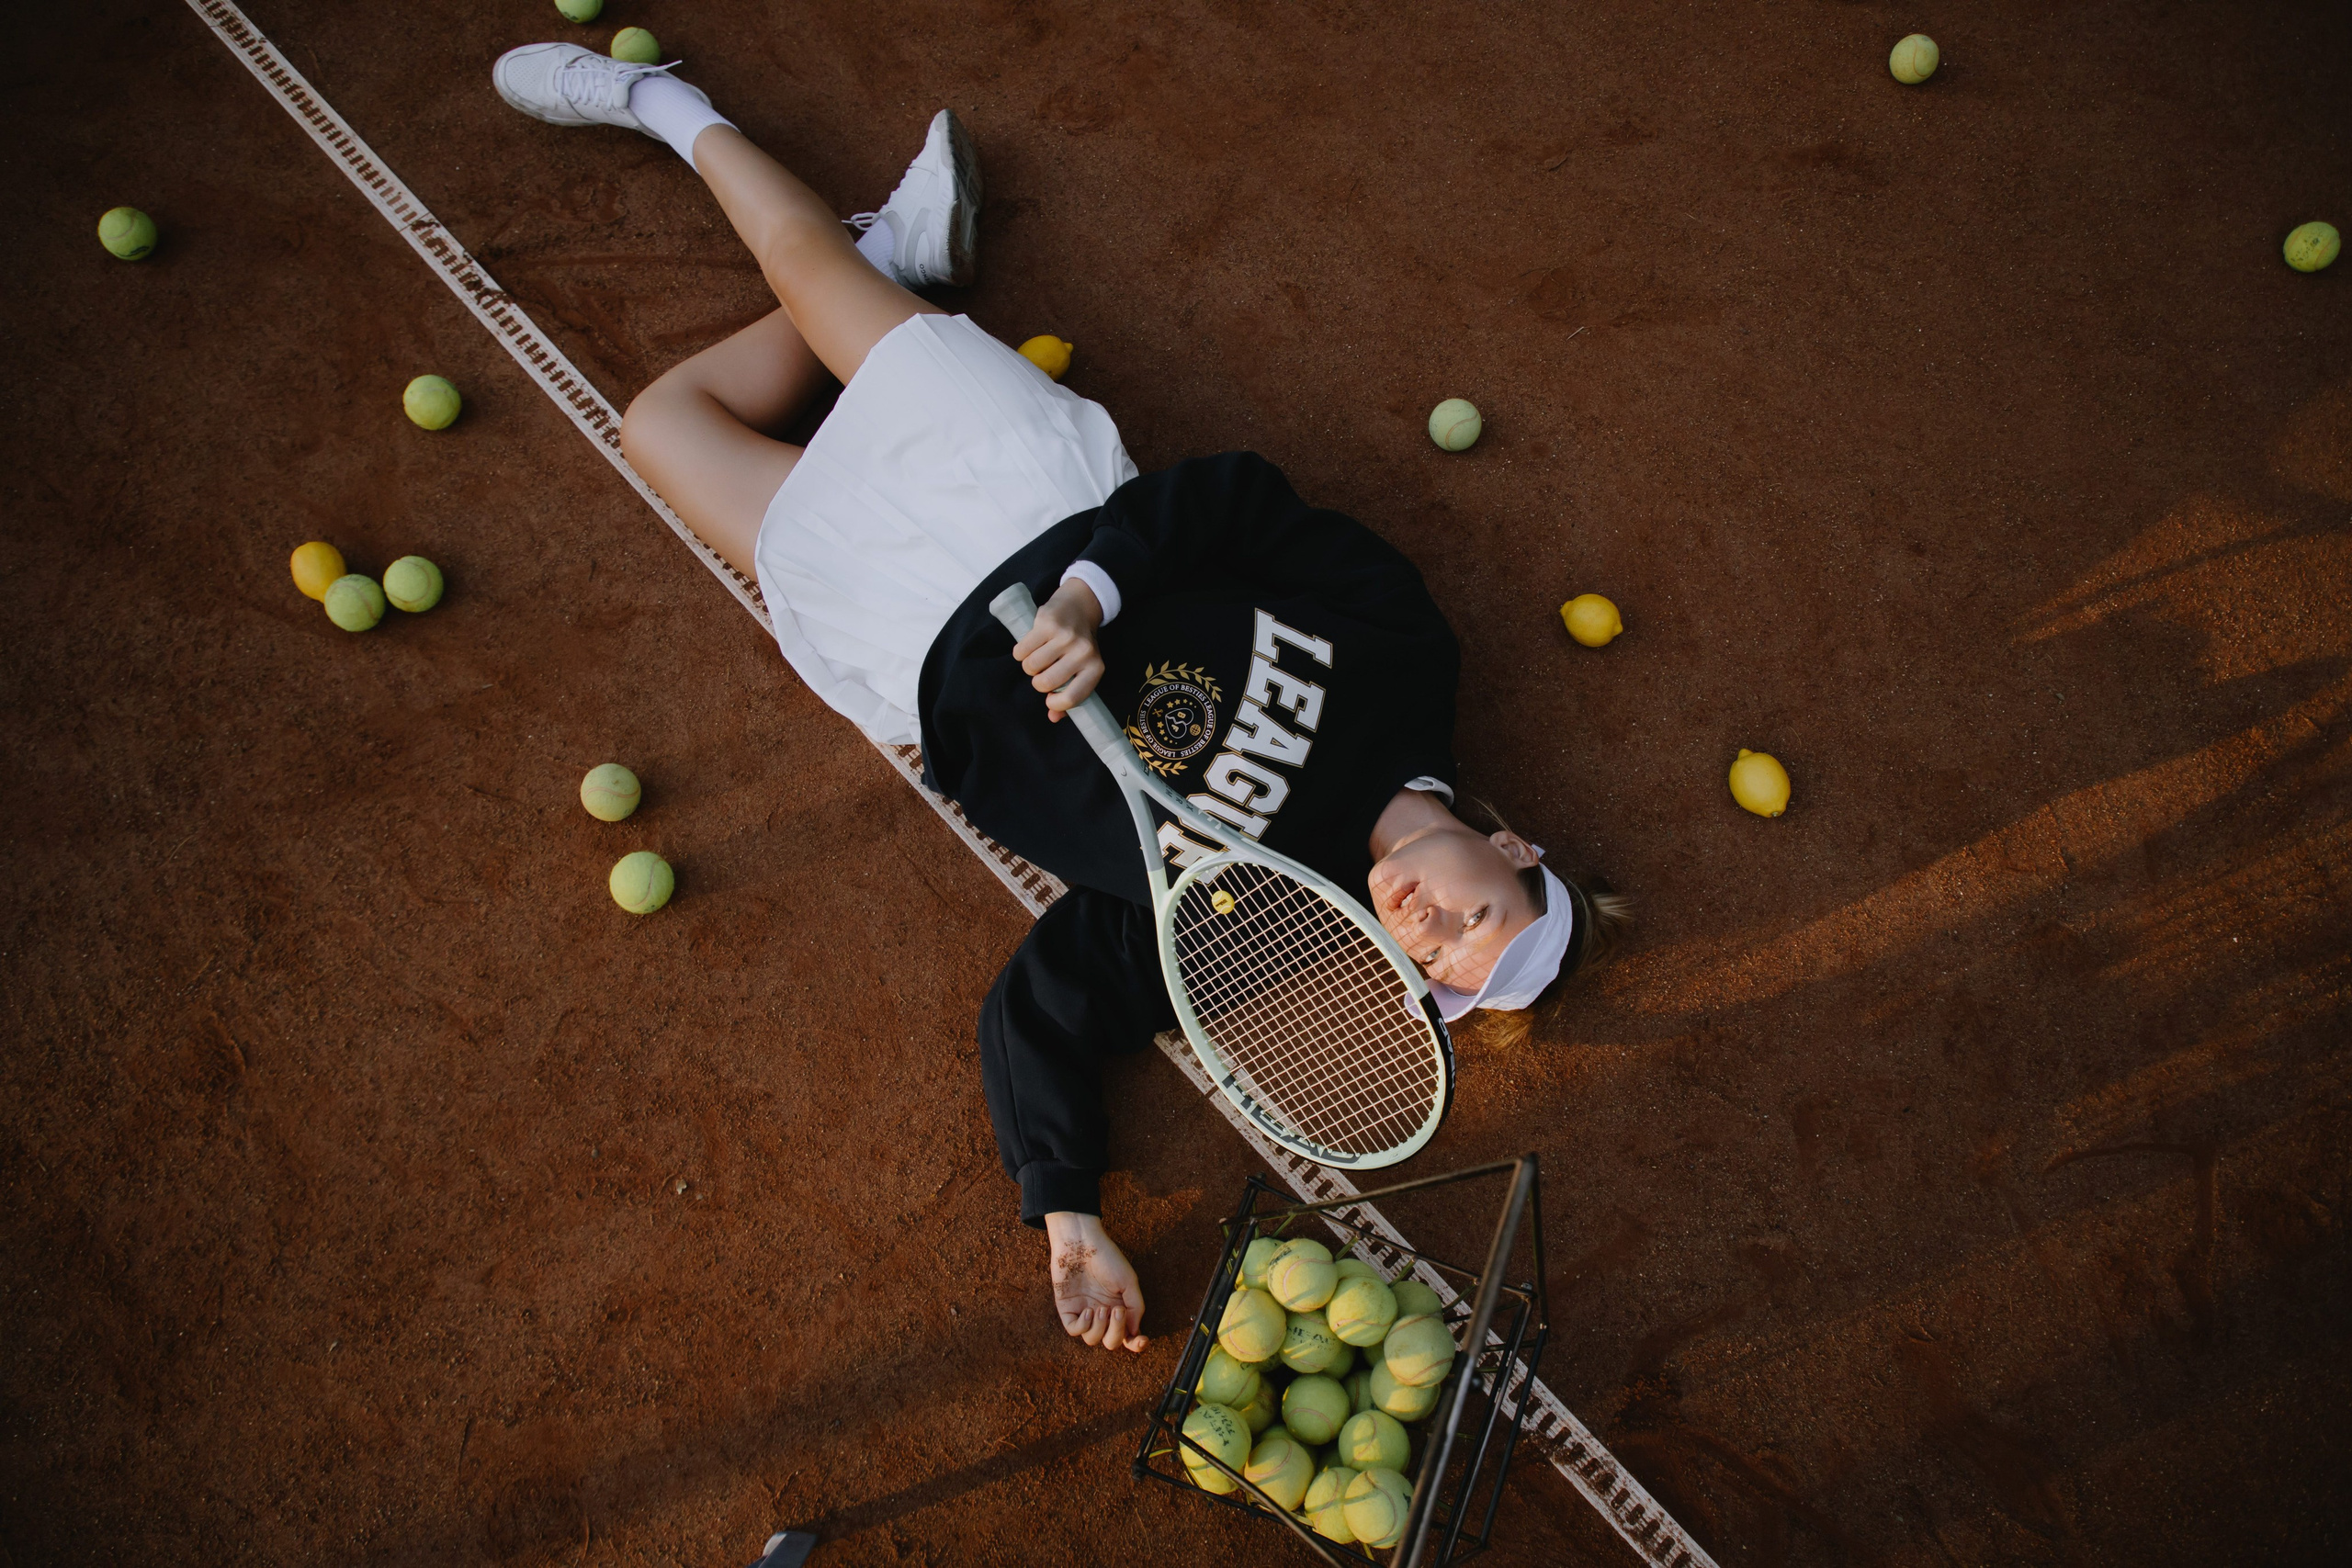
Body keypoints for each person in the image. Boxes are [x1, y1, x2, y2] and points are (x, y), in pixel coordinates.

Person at [492, 43, 1628, 1356]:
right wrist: (1094, 592)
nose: (1423, 925)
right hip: (1028, 497)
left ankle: (895, 259)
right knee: (802, 269)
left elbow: (1048, 1005)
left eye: (1431, 963)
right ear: (1512, 845)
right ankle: (663, 102)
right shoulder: (1407, 657)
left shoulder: (1260, 922)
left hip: (914, 640)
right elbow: (1235, 500)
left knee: (660, 423)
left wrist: (1068, 1214)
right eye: (1475, 914)